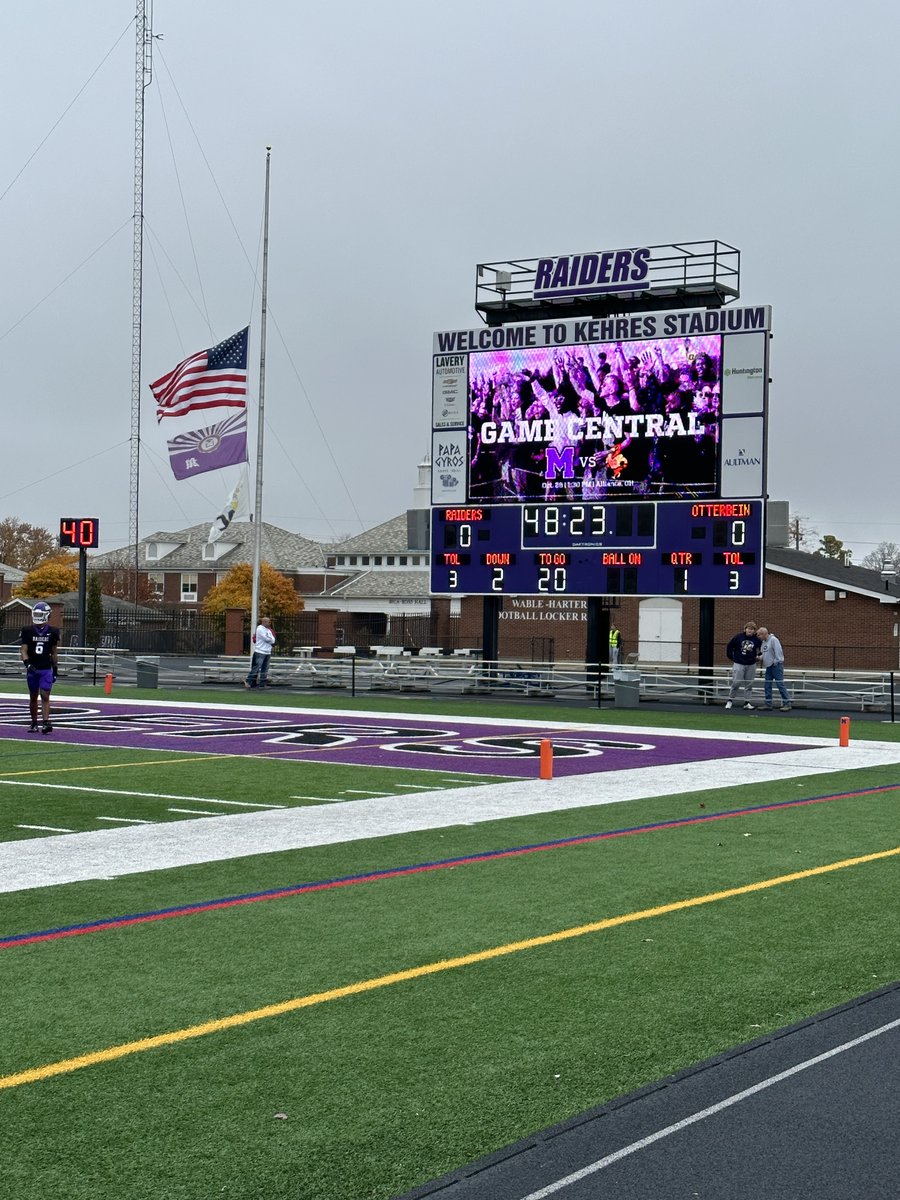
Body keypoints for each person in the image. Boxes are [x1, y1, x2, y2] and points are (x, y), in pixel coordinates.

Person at [20, 601, 60, 734]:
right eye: (36, 614)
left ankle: (46, 722)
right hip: (33, 668)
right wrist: (27, 664)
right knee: (33, 696)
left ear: (47, 615)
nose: (37, 617)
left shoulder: (53, 632)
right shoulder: (27, 631)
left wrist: (55, 669)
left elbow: (54, 652)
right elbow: (23, 650)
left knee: (45, 695)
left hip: (45, 669)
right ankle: (34, 723)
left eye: (39, 614)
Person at [724, 620, 761, 710]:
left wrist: (759, 656)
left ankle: (747, 702)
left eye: (752, 629)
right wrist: (731, 657)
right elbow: (730, 646)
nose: (750, 631)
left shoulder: (756, 640)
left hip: (751, 664)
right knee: (736, 683)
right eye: (749, 629)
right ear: (745, 629)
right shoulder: (738, 637)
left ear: (754, 631)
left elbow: (761, 649)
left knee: (749, 684)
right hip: (739, 663)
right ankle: (730, 700)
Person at [757, 626, 792, 710]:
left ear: (764, 634)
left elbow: (778, 653)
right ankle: (768, 704)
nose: (758, 637)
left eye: (759, 635)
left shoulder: (773, 640)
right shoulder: (764, 642)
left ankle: (787, 703)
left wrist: (775, 661)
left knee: (780, 684)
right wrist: (758, 658)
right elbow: (764, 654)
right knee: (767, 685)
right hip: (768, 666)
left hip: (776, 666)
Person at [245, 616, 276, 688]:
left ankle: (262, 684)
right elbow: (266, 639)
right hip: (260, 651)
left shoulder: (268, 630)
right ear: (264, 622)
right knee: (257, 667)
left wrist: (270, 639)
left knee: (265, 669)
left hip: (267, 652)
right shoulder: (260, 629)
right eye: (269, 622)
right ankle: (248, 681)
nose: (270, 623)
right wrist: (270, 639)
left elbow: (273, 640)